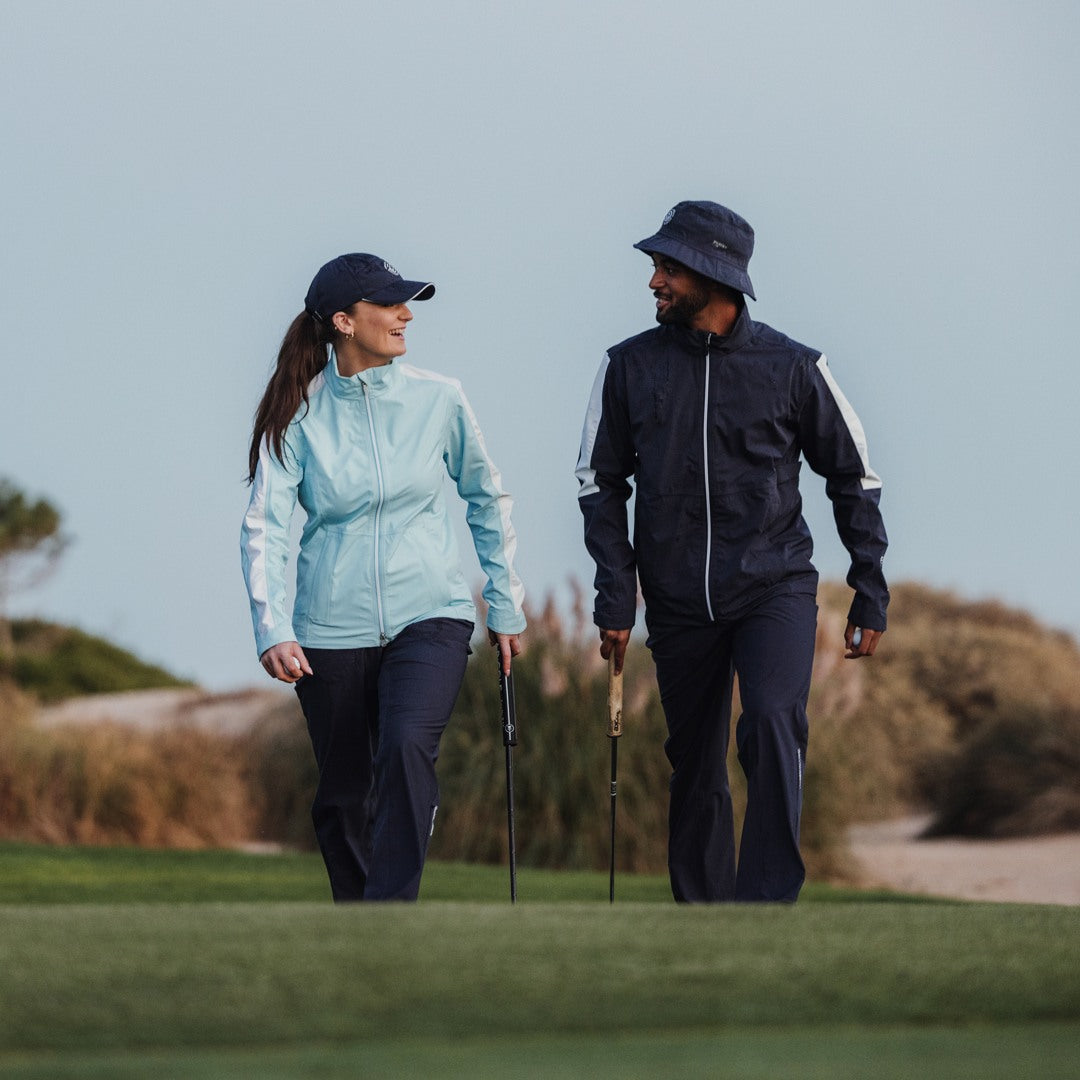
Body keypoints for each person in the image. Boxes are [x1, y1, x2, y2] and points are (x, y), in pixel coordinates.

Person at [575, 201, 888, 903]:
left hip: (773, 586)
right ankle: (704, 914)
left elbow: (854, 476)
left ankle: (766, 905)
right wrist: (616, 595)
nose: (654, 281)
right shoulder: (628, 366)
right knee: (694, 760)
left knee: (773, 724)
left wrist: (870, 587)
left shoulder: (794, 366)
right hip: (678, 597)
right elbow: (599, 482)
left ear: (712, 277)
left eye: (668, 268)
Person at [241, 252, 526, 902]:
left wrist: (505, 604)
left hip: (431, 614)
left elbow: (487, 498)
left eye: (408, 304)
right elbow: (264, 525)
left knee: (404, 747)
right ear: (344, 321)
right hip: (327, 629)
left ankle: (391, 916)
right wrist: (272, 627)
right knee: (343, 797)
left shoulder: (439, 397)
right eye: (390, 304)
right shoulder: (298, 414)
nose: (406, 315)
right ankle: (361, 929)